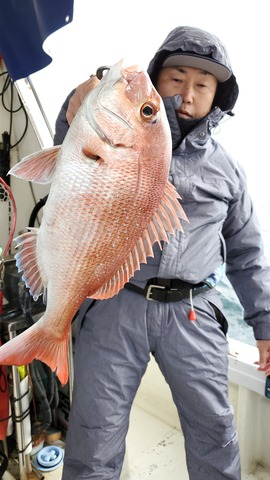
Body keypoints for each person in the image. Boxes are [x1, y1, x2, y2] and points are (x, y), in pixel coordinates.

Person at [54, 26, 270, 480]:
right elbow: (73, 147)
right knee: (93, 437)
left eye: (203, 84)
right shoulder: (119, 130)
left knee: (215, 432)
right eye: (177, 78)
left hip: (194, 311)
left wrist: (265, 325)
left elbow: (248, 253)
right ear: (156, 79)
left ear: (219, 96)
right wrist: (81, 96)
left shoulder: (228, 170)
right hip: (115, 305)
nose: (188, 94)